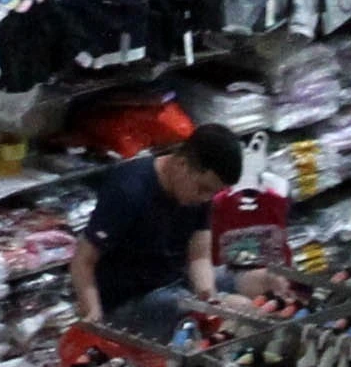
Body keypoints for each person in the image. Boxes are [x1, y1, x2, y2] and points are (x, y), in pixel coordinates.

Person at [65, 124, 244, 345]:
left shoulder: (198, 193)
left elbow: (199, 256)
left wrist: (208, 294)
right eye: (203, 189)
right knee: (229, 313)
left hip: (174, 281)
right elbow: (82, 261)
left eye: (213, 192)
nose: (206, 198)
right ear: (182, 164)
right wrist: (93, 315)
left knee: (251, 281)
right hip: (129, 301)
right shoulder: (129, 190)